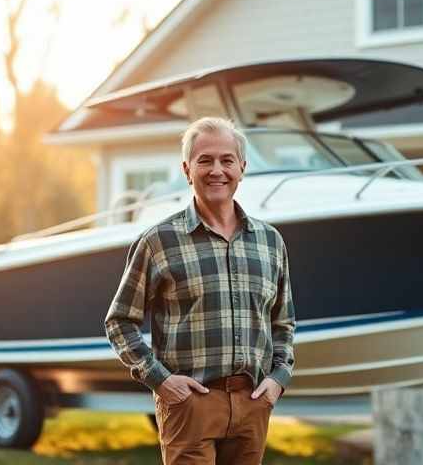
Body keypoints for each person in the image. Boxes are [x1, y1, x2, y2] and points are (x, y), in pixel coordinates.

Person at [104, 117, 296, 464]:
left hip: (253, 402)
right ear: (187, 169)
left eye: (226, 160)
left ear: (242, 168)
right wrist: (161, 381)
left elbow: (283, 324)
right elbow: (119, 321)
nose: (216, 170)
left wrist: (278, 380)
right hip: (189, 404)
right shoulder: (157, 241)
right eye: (204, 160)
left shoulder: (271, 242)